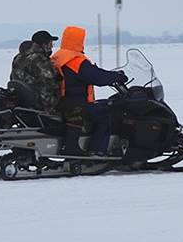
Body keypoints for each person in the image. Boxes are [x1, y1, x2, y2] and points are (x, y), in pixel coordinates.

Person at [51, 25, 128, 155]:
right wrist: (117, 76)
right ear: (78, 41)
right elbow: (97, 77)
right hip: (77, 102)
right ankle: (97, 151)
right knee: (104, 117)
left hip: (64, 100)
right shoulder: (75, 61)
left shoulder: (58, 56)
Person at [9, 30, 62, 112]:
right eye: (51, 43)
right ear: (44, 45)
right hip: (39, 102)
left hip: (22, 100)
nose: (51, 47)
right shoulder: (39, 58)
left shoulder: (18, 57)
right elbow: (50, 79)